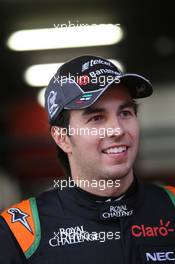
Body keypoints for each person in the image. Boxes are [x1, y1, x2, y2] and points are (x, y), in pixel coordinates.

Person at [0, 55, 175, 264]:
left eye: (125, 113)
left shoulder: (171, 206)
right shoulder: (20, 231)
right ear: (62, 138)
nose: (117, 130)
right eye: (96, 118)